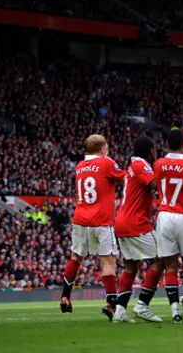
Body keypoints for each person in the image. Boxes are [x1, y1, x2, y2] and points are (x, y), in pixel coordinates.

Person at [60, 134, 125, 319]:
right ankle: (111, 303)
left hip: (80, 219)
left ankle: (65, 296)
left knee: (75, 257)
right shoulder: (107, 163)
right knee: (107, 260)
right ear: (103, 148)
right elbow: (126, 179)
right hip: (101, 221)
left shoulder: (80, 166)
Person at [114, 135, 163, 323]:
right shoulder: (141, 165)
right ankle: (142, 305)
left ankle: (120, 311)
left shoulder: (133, 166)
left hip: (123, 221)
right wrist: (168, 170)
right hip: (136, 222)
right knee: (161, 259)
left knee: (131, 267)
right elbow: (154, 183)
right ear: (150, 150)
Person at [154, 129, 183, 322]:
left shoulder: (158, 164)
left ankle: (175, 312)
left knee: (170, 266)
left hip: (164, 215)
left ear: (166, 144)